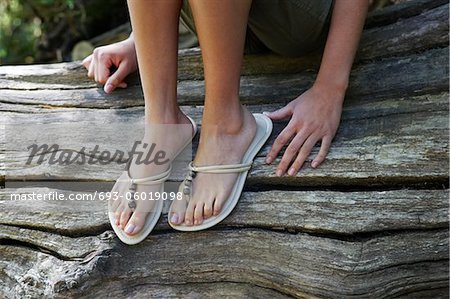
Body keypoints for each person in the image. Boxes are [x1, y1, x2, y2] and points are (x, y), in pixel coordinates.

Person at [83, 0, 368, 244]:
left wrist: (331, 84)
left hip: (298, 21)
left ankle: (225, 125)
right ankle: (162, 123)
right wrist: (143, 40)